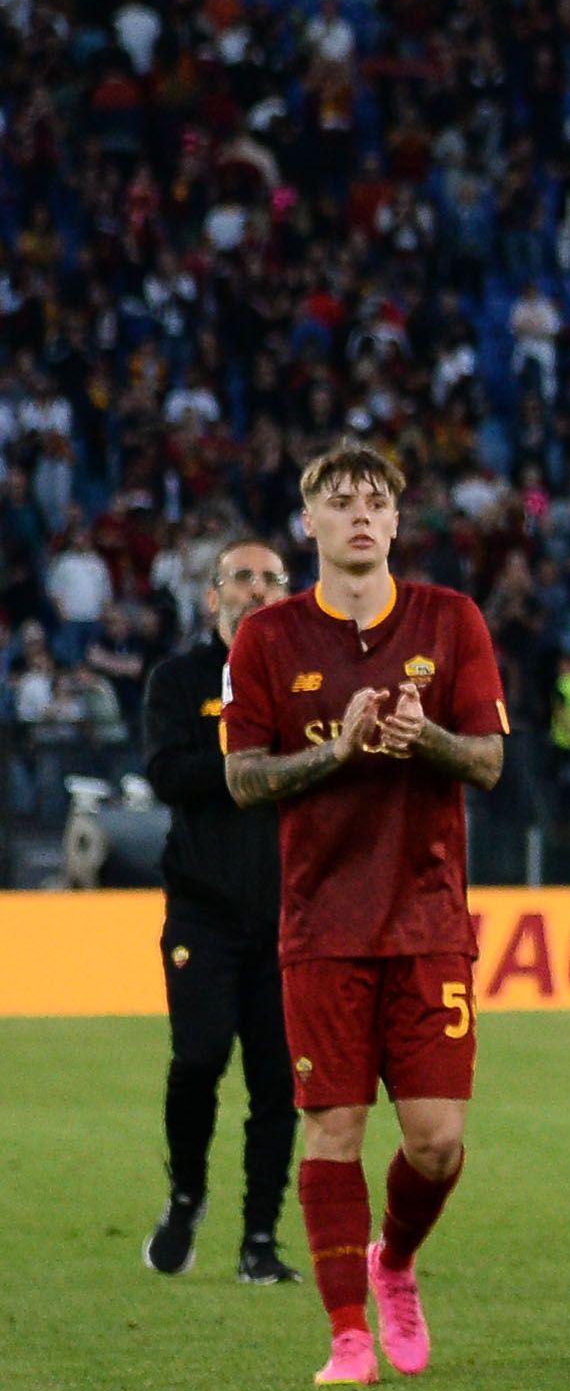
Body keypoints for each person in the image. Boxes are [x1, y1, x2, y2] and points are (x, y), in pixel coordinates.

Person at [220, 444, 511, 1386]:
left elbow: (490, 762)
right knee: (333, 1130)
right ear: (308, 522)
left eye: (375, 501)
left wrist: (423, 737)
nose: (358, 514)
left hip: (427, 918)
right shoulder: (264, 639)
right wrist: (338, 753)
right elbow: (243, 776)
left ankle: (393, 1261)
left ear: (395, 522)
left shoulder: (450, 618)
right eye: (338, 500)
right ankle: (349, 1334)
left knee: (437, 1138)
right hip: (321, 926)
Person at [141, 536, 297, 1283]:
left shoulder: (308, 684)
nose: (256, 589)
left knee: (277, 1082)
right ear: (212, 597)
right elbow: (167, 773)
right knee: (199, 1057)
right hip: (202, 911)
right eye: (241, 577)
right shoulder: (178, 679)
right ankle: (186, 1193)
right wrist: (254, 769)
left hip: (287, 916)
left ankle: (260, 1239)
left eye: (271, 578)